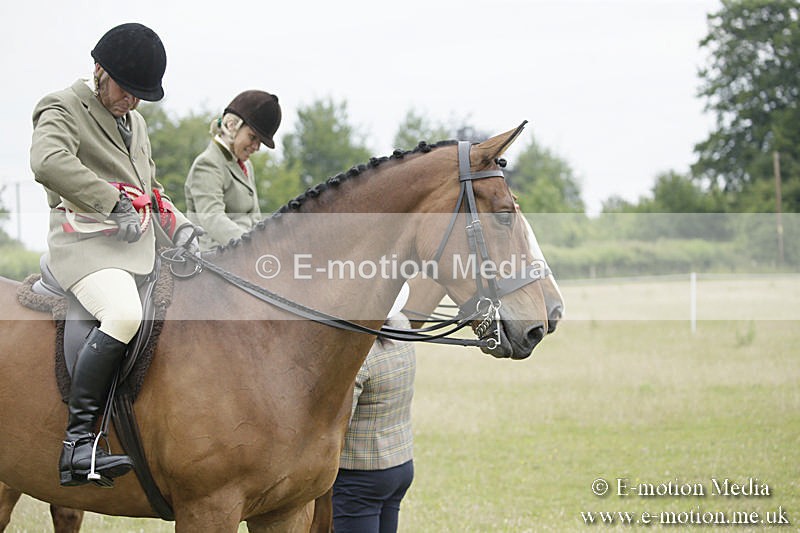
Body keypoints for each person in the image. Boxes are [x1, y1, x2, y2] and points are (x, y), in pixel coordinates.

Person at [30, 22, 200, 487]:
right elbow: (48, 162)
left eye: (140, 95)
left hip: (139, 250)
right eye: (126, 89)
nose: (133, 102)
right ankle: (78, 445)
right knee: (124, 314)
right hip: (85, 248)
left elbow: (150, 188)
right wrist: (111, 202)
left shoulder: (136, 123)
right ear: (99, 70)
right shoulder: (61, 106)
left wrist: (182, 228)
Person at [332, 285, 416, 533]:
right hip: (400, 463)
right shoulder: (402, 325)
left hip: (360, 475)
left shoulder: (361, 357)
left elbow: (339, 422)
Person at [184, 90, 281, 250]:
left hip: (244, 254)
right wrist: (253, 246)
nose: (256, 147)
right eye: (252, 137)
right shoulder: (207, 164)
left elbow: (255, 217)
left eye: (260, 142)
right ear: (232, 126)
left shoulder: (246, 166)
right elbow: (213, 219)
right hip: (215, 255)